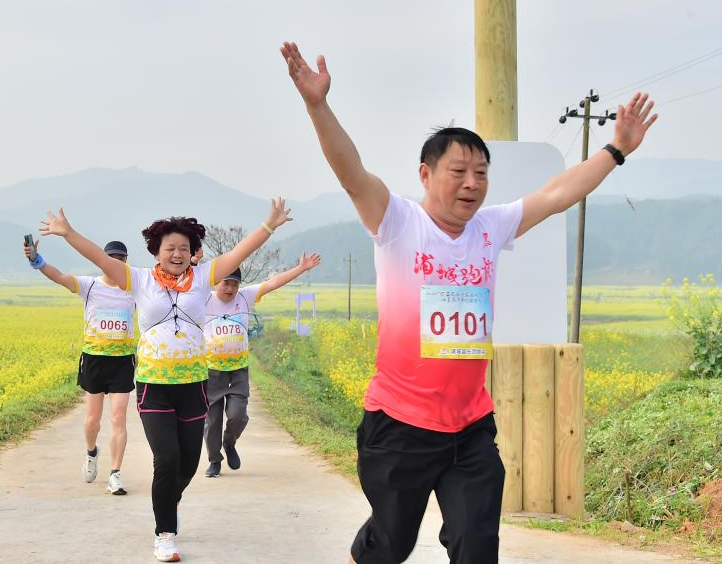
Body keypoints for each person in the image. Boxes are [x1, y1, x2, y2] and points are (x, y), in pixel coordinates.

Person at [279, 41, 658, 564]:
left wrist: (614, 150)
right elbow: (350, 170)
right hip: (399, 426)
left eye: (480, 173)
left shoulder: (489, 227)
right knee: (389, 545)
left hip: (469, 427)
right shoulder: (396, 222)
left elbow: (555, 195)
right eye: (458, 171)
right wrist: (317, 105)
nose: (472, 183)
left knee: (477, 546)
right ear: (426, 175)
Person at [39, 199, 293, 563]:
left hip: (193, 386)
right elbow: (99, 258)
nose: (177, 254)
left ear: (193, 254)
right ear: (156, 252)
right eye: (170, 248)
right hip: (154, 386)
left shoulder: (204, 278)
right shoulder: (138, 279)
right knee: (167, 458)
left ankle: (165, 505)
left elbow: (239, 251)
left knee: (188, 463)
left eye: (184, 248)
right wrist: (68, 234)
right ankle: (165, 534)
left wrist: (269, 225)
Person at [24, 236, 135, 495]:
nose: (116, 264)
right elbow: (60, 277)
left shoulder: (133, 288)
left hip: (122, 361)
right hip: (94, 359)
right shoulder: (90, 286)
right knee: (92, 420)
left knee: (119, 417)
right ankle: (91, 452)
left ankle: (115, 473)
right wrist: (35, 260)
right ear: (103, 261)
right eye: (112, 259)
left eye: (122, 260)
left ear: (126, 263)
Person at [202, 251, 322, 478]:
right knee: (213, 420)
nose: (230, 289)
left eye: (234, 285)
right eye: (226, 283)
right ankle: (214, 460)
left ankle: (229, 443)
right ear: (217, 282)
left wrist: (301, 269)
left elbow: (272, 283)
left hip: (238, 370)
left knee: (238, 415)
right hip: (212, 371)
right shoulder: (205, 298)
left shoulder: (244, 298)